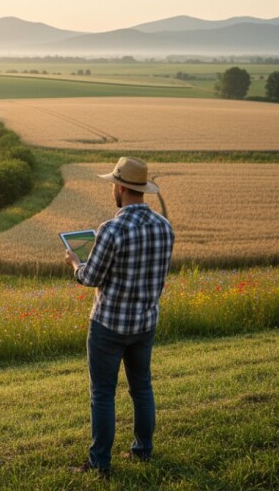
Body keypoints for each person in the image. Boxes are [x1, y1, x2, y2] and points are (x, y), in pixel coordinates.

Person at [64, 156, 175, 477]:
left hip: (109, 325)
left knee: (102, 393)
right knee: (142, 388)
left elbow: (90, 278)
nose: (113, 189)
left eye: (114, 184)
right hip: (145, 322)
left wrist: (74, 261)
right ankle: (143, 450)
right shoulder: (165, 226)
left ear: (122, 188)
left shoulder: (111, 229)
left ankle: (100, 462)